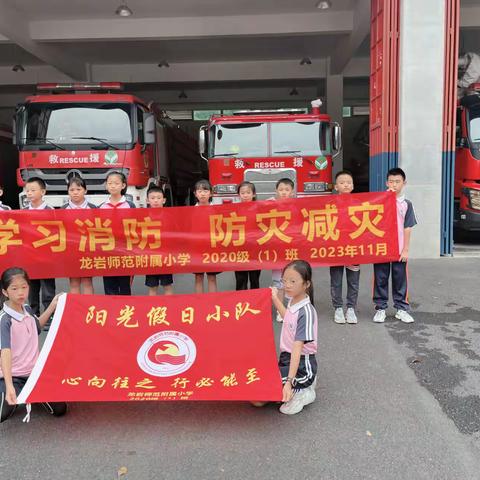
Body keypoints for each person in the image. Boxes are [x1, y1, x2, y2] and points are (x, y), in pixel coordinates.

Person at [0, 267, 67, 423]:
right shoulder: (4, 320)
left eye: (24, 287)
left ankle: (31, 393)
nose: (20, 292)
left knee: (60, 409)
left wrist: (52, 306)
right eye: (14, 289)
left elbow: (36, 327)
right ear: (5, 292)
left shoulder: (28, 309)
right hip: (13, 375)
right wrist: (9, 385)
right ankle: (13, 390)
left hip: (34, 373)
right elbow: (5, 352)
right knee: (4, 413)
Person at [258, 260, 317, 415]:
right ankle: (294, 387)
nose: (287, 285)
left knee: (259, 400)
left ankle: (303, 391)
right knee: (257, 392)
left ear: (306, 284)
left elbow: (297, 349)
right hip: (286, 359)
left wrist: (289, 383)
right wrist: (275, 298)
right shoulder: (294, 301)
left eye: (293, 281)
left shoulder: (307, 312)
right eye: (284, 281)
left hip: (302, 366)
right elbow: (288, 318)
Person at [373, 167, 418, 323]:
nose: (394, 184)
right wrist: (386, 197)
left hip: (399, 249)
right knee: (380, 278)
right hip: (382, 248)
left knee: (400, 279)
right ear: (386, 182)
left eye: (397, 181)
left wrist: (405, 249)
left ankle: (401, 308)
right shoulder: (378, 201)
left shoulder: (407, 204)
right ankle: (380, 308)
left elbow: (408, 227)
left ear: (404, 183)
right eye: (391, 181)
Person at [330, 171, 360, 324]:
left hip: (354, 249)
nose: (346, 184)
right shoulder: (330, 204)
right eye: (342, 182)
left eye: (349, 182)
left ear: (353, 186)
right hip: (335, 249)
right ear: (336, 186)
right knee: (336, 280)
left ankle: (351, 308)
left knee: (353, 280)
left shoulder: (360, 203)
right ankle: (338, 308)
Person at [23, 177, 56, 320]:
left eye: (33, 190)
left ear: (43, 191)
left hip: (47, 256)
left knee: (48, 288)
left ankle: (49, 316)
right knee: (32, 286)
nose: (29, 193)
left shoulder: (51, 211)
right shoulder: (22, 212)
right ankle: (33, 315)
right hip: (29, 255)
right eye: (27, 190)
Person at [99, 171, 135, 295]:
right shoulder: (101, 207)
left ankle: (125, 312)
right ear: (106, 186)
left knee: (124, 285)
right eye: (110, 183)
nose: (113, 186)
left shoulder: (130, 205)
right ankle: (111, 311)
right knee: (109, 285)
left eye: (116, 183)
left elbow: (136, 228)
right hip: (107, 251)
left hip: (124, 251)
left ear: (123, 186)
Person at [62, 177, 96, 295]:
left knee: (87, 281)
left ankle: (89, 310)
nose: (75, 192)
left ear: (85, 191)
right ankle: (76, 310)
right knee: (74, 282)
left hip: (88, 250)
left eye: (78, 189)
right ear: (68, 192)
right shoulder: (63, 210)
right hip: (71, 251)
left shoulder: (93, 208)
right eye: (71, 190)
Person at [270, 178, 295, 322]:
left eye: (287, 190)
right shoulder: (270, 205)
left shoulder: (296, 206)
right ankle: (280, 310)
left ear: (292, 192)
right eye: (281, 190)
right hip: (276, 250)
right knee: (278, 282)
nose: (284, 192)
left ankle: (291, 308)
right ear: (276, 191)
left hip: (291, 249)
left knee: (291, 279)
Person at [145, 185, 173, 296]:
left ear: (164, 200)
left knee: (167, 285)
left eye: (158, 198)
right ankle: (154, 310)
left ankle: (170, 308)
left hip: (165, 256)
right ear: (147, 200)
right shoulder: (142, 216)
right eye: (152, 198)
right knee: (152, 286)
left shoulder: (170, 216)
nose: (155, 201)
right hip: (150, 257)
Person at [193, 179, 219, 293]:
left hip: (212, 248)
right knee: (198, 277)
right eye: (199, 191)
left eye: (205, 190)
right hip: (197, 249)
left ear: (211, 193)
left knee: (212, 278)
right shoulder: (190, 211)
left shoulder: (217, 210)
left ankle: (212, 304)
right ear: (195, 194)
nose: (202, 194)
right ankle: (200, 304)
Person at [235, 181, 261, 290]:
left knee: (254, 278)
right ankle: (241, 301)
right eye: (242, 193)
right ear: (238, 195)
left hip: (255, 249)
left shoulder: (260, 208)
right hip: (239, 249)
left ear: (253, 194)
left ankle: (255, 303)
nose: (245, 195)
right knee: (241, 278)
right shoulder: (234, 209)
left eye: (248, 193)